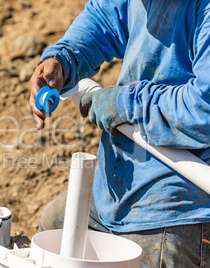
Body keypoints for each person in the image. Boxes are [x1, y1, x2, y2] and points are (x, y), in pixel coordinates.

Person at [29, 0, 210, 267]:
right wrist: (64, 58)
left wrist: (127, 104)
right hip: (116, 186)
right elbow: (106, 16)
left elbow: (204, 110)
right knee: (54, 226)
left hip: (178, 206)